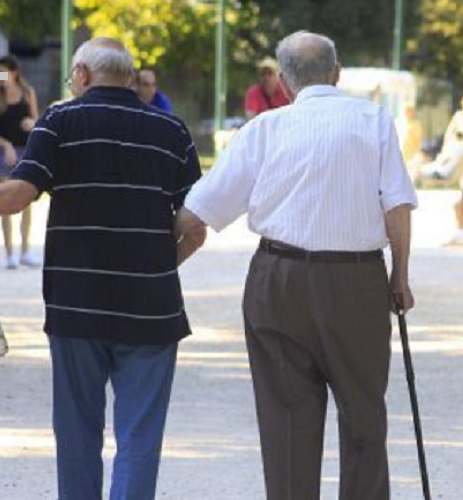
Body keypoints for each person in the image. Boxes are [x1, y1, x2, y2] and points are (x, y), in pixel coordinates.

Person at [0, 38, 204, 500]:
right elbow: (195, 228)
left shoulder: (61, 121)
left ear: (83, 75)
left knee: (77, 435)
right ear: (129, 77)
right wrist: (156, 269)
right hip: (152, 310)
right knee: (140, 438)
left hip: (76, 303)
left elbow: (19, 193)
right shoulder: (172, 130)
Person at [178, 31, 417, 500]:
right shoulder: (373, 120)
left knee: (285, 419)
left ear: (284, 84)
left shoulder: (265, 129)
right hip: (356, 280)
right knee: (364, 414)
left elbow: (197, 212)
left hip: (278, 279)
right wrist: (400, 275)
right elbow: (397, 207)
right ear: (338, 72)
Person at [0, 55, 40, 269]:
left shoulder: (28, 93)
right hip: (3, 153)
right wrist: (6, 145)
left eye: (3, 72)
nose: (0, 76)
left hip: (26, 150)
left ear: (14, 72)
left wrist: (32, 123)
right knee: (5, 200)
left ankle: (25, 250)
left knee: (25, 200)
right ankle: (10, 253)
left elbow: (38, 122)